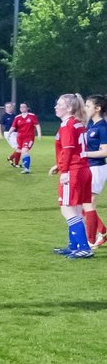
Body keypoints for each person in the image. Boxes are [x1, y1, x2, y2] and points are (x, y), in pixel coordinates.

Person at [48, 93, 93, 258]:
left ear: (69, 108)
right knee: (76, 209)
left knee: (67, 209)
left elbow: (67, 150)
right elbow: (74, 150)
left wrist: (64, 171)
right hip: (83, 169)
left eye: (59, 104)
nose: (56, 107)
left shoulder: (67, 125)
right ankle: (74, 245)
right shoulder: (78, 124)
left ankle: (84, 248)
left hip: (74, 171)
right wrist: (58, 165)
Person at [80, 94, 107, 248]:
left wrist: (84, 154)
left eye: (88, 106)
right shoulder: (91, 125)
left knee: (89, 204)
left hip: (97, 168)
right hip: (88, 167)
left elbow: (105, 152)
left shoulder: (103, 127)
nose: (85, 108)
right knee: (84, 205)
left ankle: (90, 242)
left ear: (97, 108)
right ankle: (102, 232)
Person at [11, 101, 42, 174]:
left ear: (27, 108)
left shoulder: (32, 116)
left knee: (25, 150)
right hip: (19, 138)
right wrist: (9, 133)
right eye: (20, 107)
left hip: (29, 138)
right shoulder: (17, 117)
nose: (22, 108)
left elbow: (37, 125)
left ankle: (26, 169)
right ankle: (15, 161)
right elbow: (13, 126)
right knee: (21, 151)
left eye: (24, 107)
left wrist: (39, 134)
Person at [0, 101, 19, 168]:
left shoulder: (15, 116)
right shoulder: (4, 116)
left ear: (12, 108)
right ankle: (11, 158)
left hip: (16, 133)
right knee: (18, 148)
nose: (8, 108)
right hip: (9, 134)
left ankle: (15, 163)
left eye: (10, 107)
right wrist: (0, 134)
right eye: (7, 107)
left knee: (19, 148)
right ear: (5, 108)